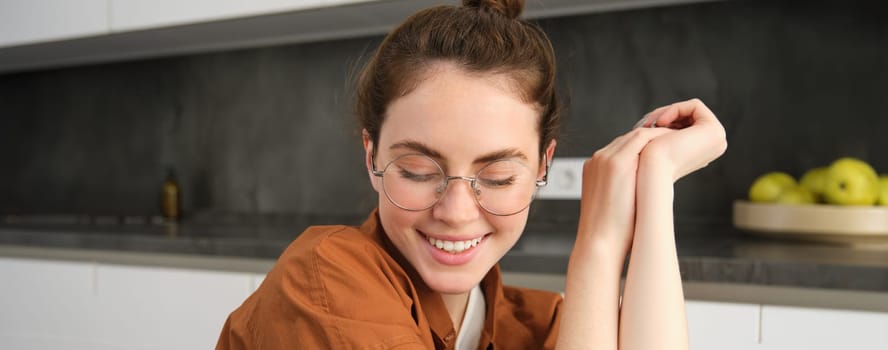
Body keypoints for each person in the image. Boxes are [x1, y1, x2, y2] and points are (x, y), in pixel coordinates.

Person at [216, 0, 727, 348]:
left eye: (499, 176)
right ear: (371, 156)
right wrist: (596, 243)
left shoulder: (531, 324)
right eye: (417, 170)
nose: (456, 212)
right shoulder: (323, 283)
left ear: (542, 166)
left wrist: (654, 183)